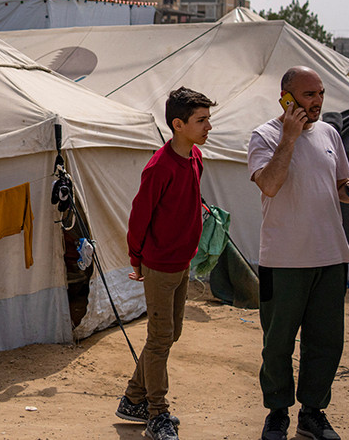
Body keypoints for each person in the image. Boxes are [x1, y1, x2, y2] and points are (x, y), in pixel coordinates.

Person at [247, 66, 349, 440]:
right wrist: (289, 138)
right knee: (278, 343)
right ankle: (277, 412)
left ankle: (313, 413)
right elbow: (269, 185)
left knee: (326, 340)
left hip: (331, 256)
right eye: (308, 95)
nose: (316, 102)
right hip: (283, 260)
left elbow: (339, 186)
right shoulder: (265, 136)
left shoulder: (331, 133)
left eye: (320, 94)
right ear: (286, 97)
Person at [115, 87, 215, 440]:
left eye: (207, 118)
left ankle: (133, 397)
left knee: (171, 333)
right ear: (178, 124)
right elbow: (139, 217)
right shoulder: (159, 167)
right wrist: (137, 259)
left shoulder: (197, 158)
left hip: (182, 262)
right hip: (159, 264)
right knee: (159, 339)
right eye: (201, 120)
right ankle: (157, 413)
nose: (208, 126)